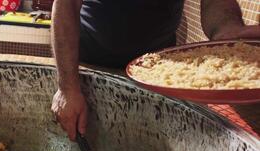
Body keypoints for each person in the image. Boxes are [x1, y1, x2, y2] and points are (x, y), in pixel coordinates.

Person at [50, 0, 260, 141]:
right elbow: (66, 4)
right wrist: (68, 88)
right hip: (89, 66)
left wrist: (227, 30)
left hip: (159, 73)